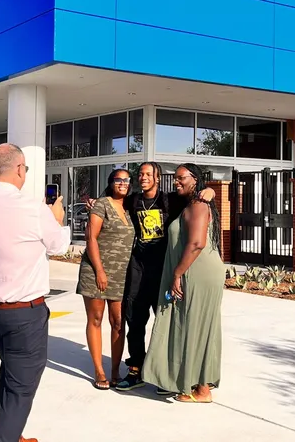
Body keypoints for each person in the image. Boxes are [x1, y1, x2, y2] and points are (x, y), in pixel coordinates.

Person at [0, 143, 70, 442]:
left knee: (11, 373)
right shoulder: (32, 208)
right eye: (26, 170)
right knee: (21, 387)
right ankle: (7, 435)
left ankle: (13, 432)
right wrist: (56, 219)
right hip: (23, 313)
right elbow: (58, 246)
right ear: (19, 169)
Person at [87, 162, 215, 392]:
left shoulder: (172, 200)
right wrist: (96, 203)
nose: (143, 177)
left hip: (163, 267)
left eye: (148, 174)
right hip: (138, 267)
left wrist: (211, 190)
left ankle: (165, 373)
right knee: (135, 318)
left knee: (165, 318)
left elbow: (198, 199)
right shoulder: (133, 200)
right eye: (141, 174)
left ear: (157, 177)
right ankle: (136, 369)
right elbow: (112, 196)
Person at [142, 163, 225, 403]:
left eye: (181, 178)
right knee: (193, 326)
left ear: (194, 179)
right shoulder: (191, 202)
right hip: (194, 270)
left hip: (197, 272)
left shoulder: (199, 204)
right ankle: (196, 385)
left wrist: (176, 274)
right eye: (175, 178)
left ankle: (202, 390)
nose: (177, 182)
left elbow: (197, 243)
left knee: (198, 326)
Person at [77, 169, 135, 390]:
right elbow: (90, 237)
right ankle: (99, 371)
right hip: (95, 271)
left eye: (126, 180)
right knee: (97, 319)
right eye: (118, 180)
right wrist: (100, 271)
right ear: (111, 183)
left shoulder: (130, 207)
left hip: (122, 274)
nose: (122, 183)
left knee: (119, 322)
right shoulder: (102, 204)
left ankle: (115, 371)